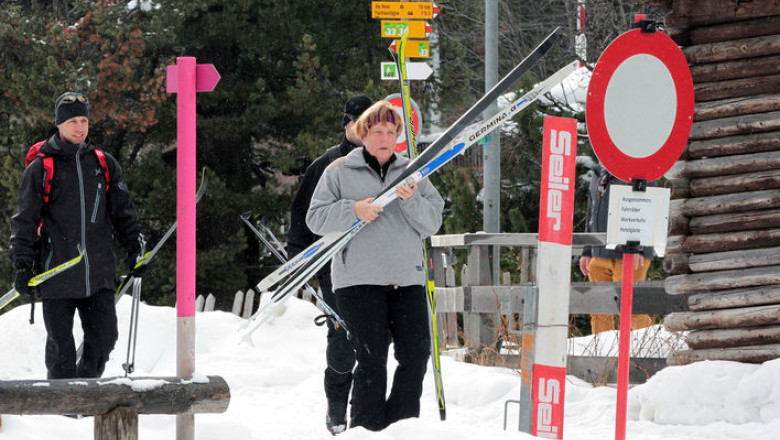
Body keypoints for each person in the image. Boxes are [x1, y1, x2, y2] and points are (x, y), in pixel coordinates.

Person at [306, 100, 444, 431]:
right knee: (371, 360)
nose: (385, 138)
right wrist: (352, 210)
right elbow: (315, 218)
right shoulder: (338, 171)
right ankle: (366, 431)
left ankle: (400, 428)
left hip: (407, 280)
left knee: (416, 356)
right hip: (358, 282)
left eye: (391, 132)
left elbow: (432, 222)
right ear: (363, 134)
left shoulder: (413, 173)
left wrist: (411, 200)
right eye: (377, 131)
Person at [9, 91, 145, 379]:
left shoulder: (103, 164)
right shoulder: (41, 168)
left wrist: (136, 248)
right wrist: (22, 265)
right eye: (72, 121)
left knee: (105, 339)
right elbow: (25, 220)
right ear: (59, 124)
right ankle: (62, 405)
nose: (79, 127)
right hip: (57, 273)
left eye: (84, 120)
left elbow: (124, 213)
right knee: (61, 353)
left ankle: (85, 393)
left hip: (98, 274)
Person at [286, 94, 373, 436]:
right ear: (347, 124)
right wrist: (297, 257)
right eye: (359, 124)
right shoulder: (326, 165)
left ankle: (366, 411)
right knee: (344, 339)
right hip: (334, 264)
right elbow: (301, 214)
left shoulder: (384, 162)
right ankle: (337, 406)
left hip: (377, 263)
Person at [579, 163, 655, 334]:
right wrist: (587, 250)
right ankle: (603, 350)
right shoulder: (597, 172)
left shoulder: (637, 166)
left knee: (631, 308)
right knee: (599, 311)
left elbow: (647, 206)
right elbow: (591, 212)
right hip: (599, 252)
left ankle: (646, 347)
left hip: (629, 253)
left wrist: (639, 247)